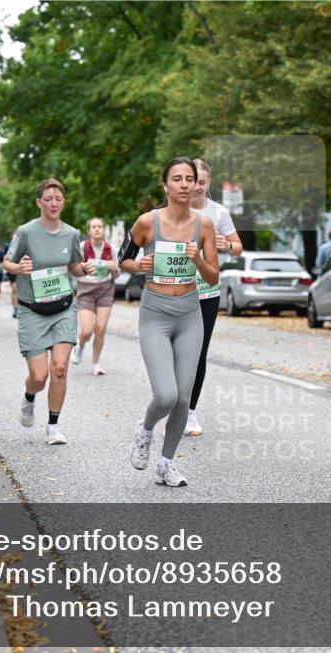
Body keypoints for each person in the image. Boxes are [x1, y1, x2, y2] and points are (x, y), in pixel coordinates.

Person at [119, 158, 219, 487]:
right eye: (177, 178)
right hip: (156, 314)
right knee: (165, 395)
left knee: (183, 398)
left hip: (190, 313)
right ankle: (145, 430)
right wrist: (139, 265)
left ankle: (166, 463)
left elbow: (213, 276)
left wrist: (197, 258)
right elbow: (123, 259)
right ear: (166, 185)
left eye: (190, 178)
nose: (185, 184)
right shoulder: (147, 222)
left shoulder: (204, 225)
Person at [3, 178, 91, 446]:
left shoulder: (72, 234)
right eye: (49, 199)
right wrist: (19, 268)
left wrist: (83, 269)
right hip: (32, 311)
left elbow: (74, 266)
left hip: (63, 308)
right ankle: (29, 396)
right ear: (39, 202)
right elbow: (7, 263)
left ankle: (53, 426)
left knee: (60, 368)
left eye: (58, 199)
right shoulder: (26, 232)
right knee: (39, 376)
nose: (54, 204)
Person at [184, 158, 243, 437]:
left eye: (202, 182)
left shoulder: (218, 212)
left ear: (208, 184)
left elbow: (238, 246)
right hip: (176, 290)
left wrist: (227, 245)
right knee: (176, 352)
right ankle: (173, 401)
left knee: (198, 352)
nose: (196, 187)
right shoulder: (173, 209)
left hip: (207, 291)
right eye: (193, 180)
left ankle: (190, 412)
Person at [72, 217, 119, 375]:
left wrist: (114, 268)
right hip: (85, 289)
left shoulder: (111, 249)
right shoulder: (81, 247)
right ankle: (80, 345)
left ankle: (96, 363)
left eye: (100, 226)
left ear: (104, 230)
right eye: (94, 227)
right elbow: (73, 270)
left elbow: (117, 275)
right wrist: (82, 268)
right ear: (89, 230)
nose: (97, 229)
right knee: (87, 330)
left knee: (100, 328)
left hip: (105, 289)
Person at [3, 240, 19, 318]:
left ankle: (22, 309)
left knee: (21, 290)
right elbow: (5, 258)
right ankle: (15, 309)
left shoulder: (27, 241)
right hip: (13, 269)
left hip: (24, 269)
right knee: (15, 290)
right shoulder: (8, 245)